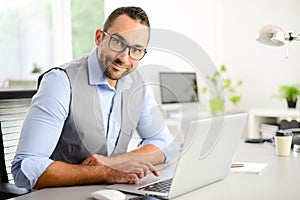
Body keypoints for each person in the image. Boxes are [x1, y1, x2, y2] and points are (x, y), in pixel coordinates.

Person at [12, 6, 177, 189]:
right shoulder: (60, 81)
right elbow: (25, 167)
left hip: (114, 192)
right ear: (99, 37)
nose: (124, 57)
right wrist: (105, 172)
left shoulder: (138, 85)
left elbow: (165, 143)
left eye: (136, 50)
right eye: (117, 42)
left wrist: (115, 162)